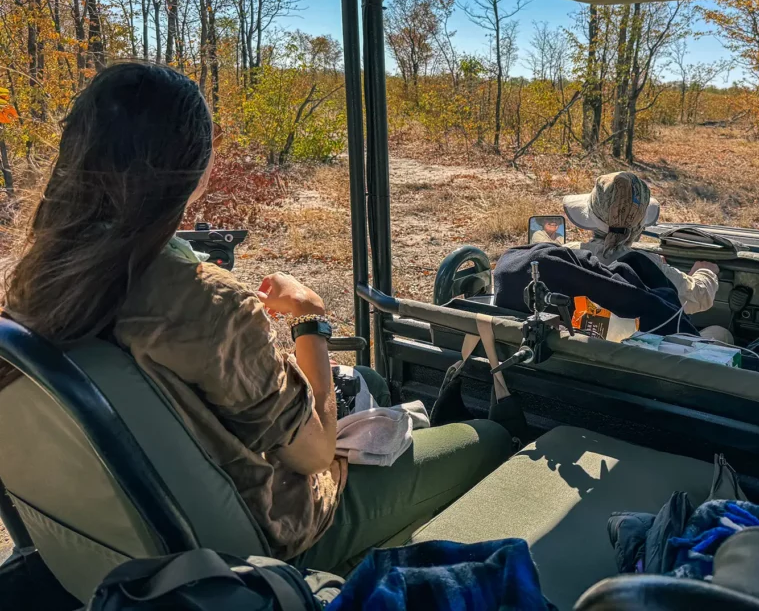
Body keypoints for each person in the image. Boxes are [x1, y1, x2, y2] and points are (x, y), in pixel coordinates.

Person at [2, 63, 511, 574]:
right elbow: (313, 455)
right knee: (488, 439)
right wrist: (310, 320)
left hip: (117, 546)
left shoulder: (38, 281)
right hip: (269, 540)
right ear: (196, 169)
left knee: (371, 379)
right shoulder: (207, 304)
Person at [563, 172, 730, 341]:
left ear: (590, 216)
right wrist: (705, 272)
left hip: (579, 352)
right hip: (637, 360)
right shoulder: (646, 266)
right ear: (640, 225)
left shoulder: (566, 256)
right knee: (720, 332)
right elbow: (700, 297)